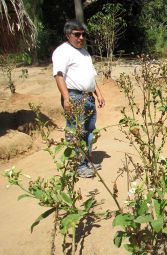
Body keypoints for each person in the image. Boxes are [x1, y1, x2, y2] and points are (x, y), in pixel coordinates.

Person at [52, 19, 105, 178]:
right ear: (68, 35)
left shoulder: (85, 53)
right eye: (77, 34)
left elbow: (91, 77)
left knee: (89, 131)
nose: (81, 37)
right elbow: (59, 75)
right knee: (76, 132)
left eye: (83, 34)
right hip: (74, 96)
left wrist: (99, 94)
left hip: (88, 98)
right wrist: (66, 98)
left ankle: (87, 161)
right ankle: (79, 166)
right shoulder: (62, 52)